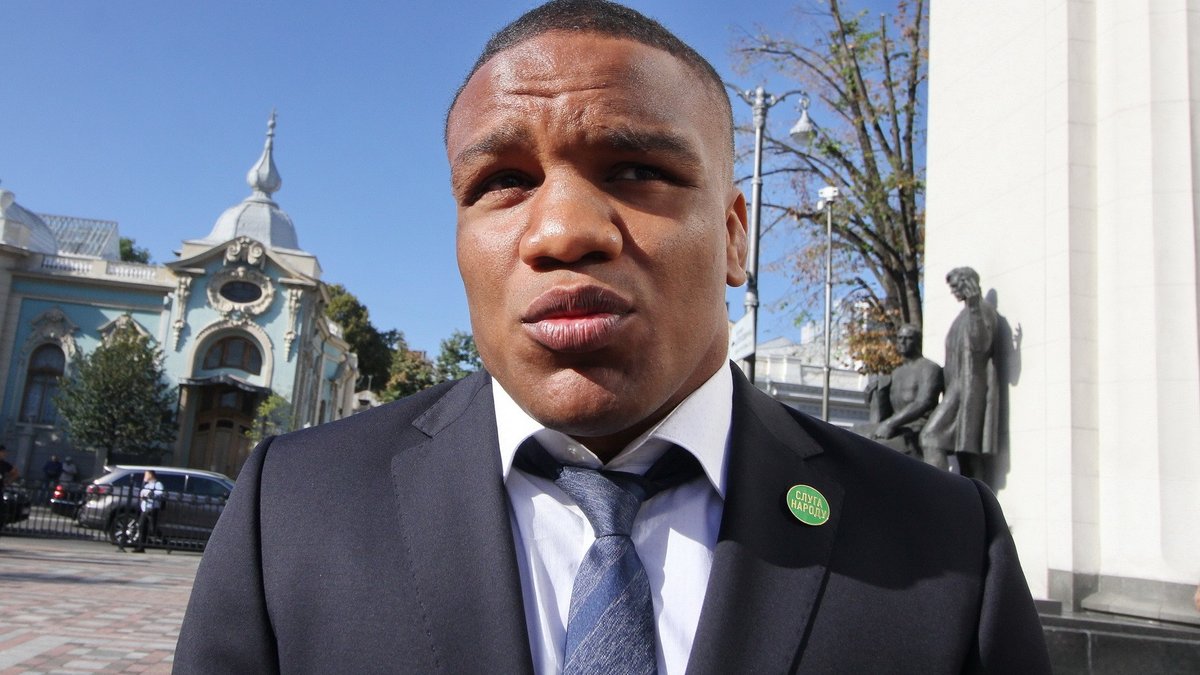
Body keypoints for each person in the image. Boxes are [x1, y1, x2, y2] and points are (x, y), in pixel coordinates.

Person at [175, 2, 1051, 672]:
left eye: (635, 169)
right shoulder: (292, 512)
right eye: (503, 181)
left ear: (736, 236)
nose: (562, 230)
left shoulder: (943, 545)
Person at [920, 267, 1000, 481]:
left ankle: (939, 494)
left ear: (968, 283)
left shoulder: (981, 311)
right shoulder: (964, 315)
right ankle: (973, 498)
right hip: (956, 387)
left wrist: (974, 308)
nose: (953, 291)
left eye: (956, 286)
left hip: (970, 389)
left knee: (931, 436)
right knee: (966, 455)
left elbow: (981, 345)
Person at [864, 323, 944, 458]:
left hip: (916, 431)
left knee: (872, 448)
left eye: (908, 338)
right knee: (851, 435)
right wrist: (873, 394)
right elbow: (885, 411)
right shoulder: (896, 372)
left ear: (918, 341)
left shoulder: (929, 368)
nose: (902, 342)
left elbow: (924, 402)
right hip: (896, 429)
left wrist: (890, 424)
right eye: (900, 338)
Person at [131, 469, 164, 553]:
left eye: (146, 474)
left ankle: (165, 542)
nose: (144, 476)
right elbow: (142, 494)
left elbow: (160, 493)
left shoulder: (157, 484)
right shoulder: (146, 485)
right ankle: (140, 546)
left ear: (151, 475)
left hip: (152, 508)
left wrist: (150, 495)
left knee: (153, 528)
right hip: (145, 509)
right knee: (141, 526)